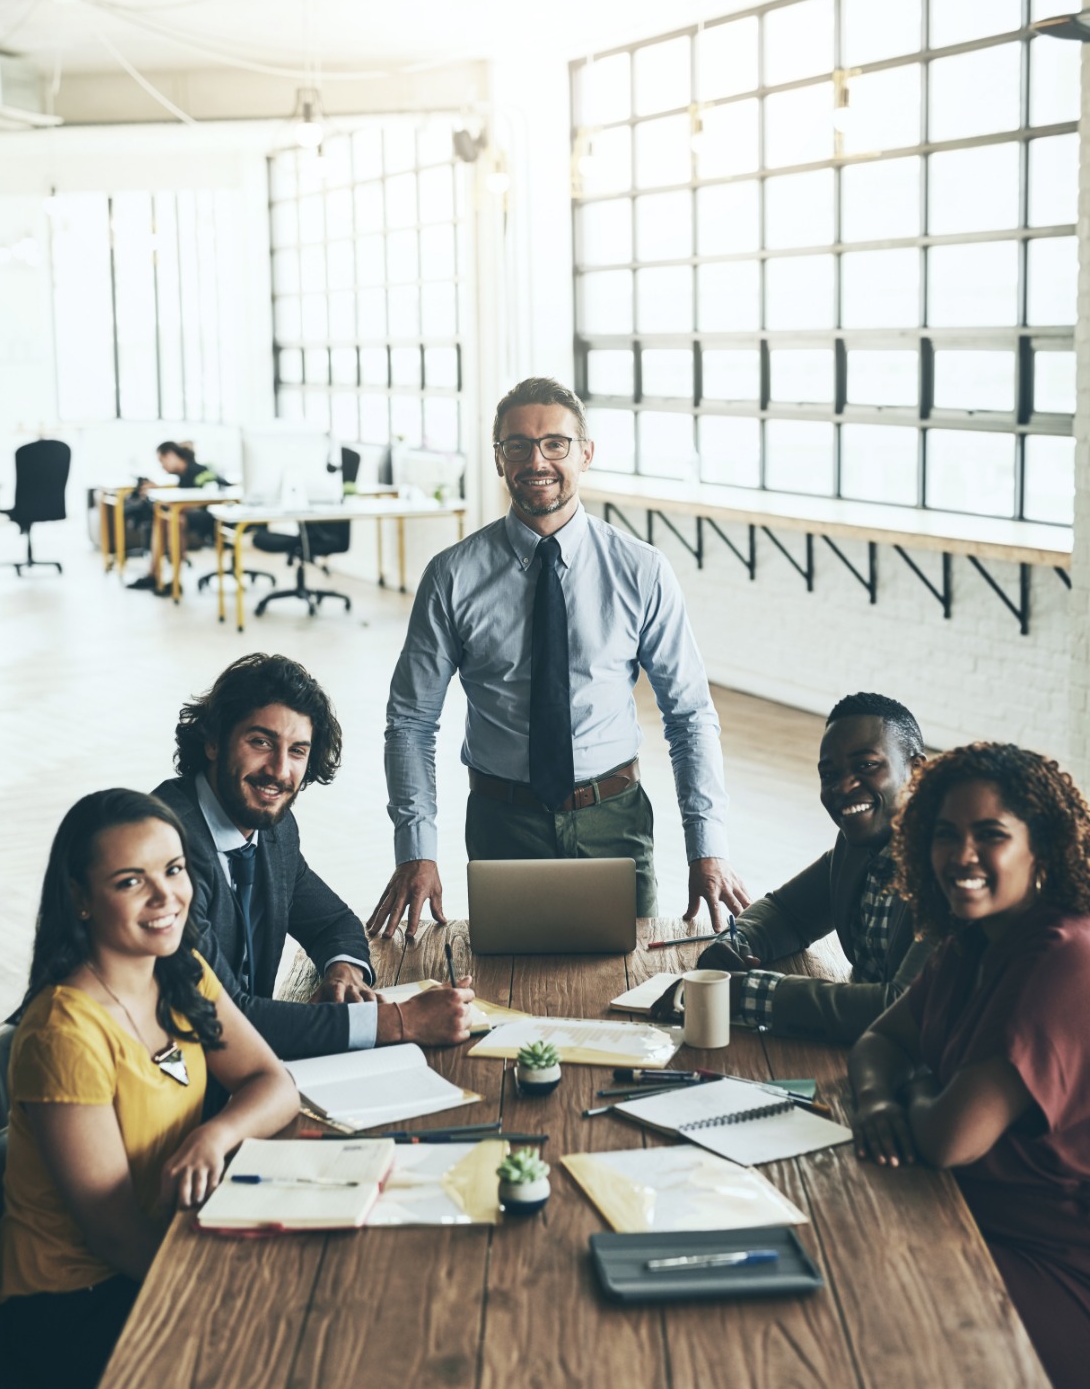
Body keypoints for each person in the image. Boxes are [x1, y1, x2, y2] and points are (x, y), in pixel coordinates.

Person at [368, 375, 748, 938]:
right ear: (499, 460)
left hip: (612, 820)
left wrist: (707, 846)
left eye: (555, 443)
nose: (536, 459)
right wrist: (416, 849)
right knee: (507, 998)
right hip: (502, 823)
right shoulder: (451, 576)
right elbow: (411, 721)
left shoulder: (641, 571)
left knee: (626, 988)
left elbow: (689, 715)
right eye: (516, 445)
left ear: (586, 454)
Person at [0, 789, 299, 1389]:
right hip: (71, 1303)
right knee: (279, 1355)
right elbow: (115, 1235)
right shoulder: (64, 1033)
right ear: (80, 898)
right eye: (132, 882)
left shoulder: (180, 973)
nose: (166, 898)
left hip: (164, 1244)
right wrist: (233, 1290)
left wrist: (211, 1135)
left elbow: (275, 1084)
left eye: (174, 870)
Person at [848, 743, 1090, 1389]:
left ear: (1041, 849)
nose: (961, 856)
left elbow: (946, 1139)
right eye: (944, 834)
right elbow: (878, 1040)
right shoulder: (974, 941)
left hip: (1069, 1273)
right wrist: (880, 1104)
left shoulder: (1068, 961)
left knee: (858, 1310)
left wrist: (914, 1086)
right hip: (964, 1215)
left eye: (990, 835)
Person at [154, 654, 473, 1061]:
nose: (279, 770)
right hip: (172, 1084)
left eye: (298, 751)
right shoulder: (163, 848)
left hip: (244, 1070)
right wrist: (399, 1022)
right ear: (214, 741)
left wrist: (343, 973)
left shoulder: (274, 831)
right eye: (261, 742)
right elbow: (220, 1017)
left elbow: (332, 923)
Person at [696, 692, 933, 1044]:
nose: (844, 786)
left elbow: (901, 1006)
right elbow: (789, 913)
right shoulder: (854, 847)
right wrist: (735, 941)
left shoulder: (953, 871)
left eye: (866, 765)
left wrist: (747, 992)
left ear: (917, 770)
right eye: (830, 774)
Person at [126, 441, 228, 595]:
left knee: (174, 520)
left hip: (217, 517)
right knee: (163, 519)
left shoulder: (196, 471)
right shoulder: (185, 474)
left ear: (171, 455)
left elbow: (197, 501)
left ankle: (174, 580)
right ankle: (154, 574)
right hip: (206, 515)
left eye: (162, 461)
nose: (162, 466)